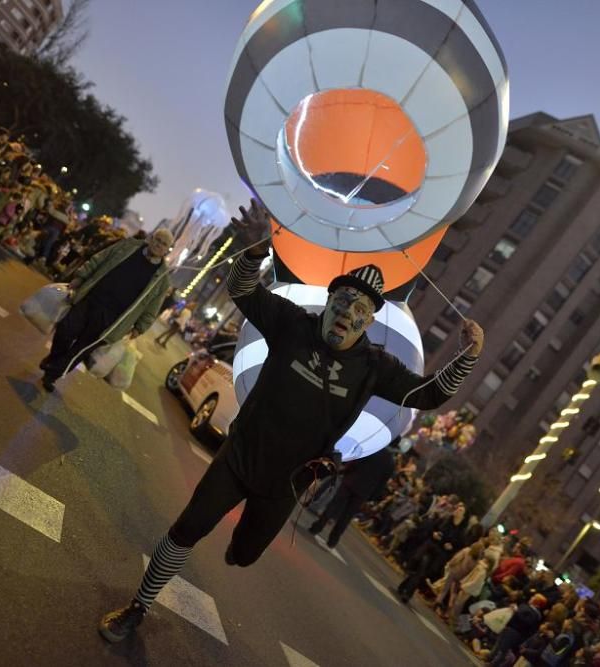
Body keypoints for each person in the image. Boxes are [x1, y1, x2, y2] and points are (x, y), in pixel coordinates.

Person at [98, 198, 484, 642]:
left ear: (369, 322)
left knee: (242, 555)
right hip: (240, 456)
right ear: (330, 301)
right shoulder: (292, 323)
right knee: (186, 530)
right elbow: (242, 289)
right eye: (342, 303)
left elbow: (430, 393)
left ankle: (242, 544)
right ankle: (137, 607)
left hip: (288, 483)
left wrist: (468, 356)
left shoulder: (376, 366)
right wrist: (259, 250)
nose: (347, 315)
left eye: (360, 312)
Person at [39, 228, 174, 391]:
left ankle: (52, 375)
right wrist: (80, 276)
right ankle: (53, 360)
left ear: (167, 250)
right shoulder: (128, 246)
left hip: (112, 319)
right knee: (65, 329)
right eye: (157, 239)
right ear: (150, 238)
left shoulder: (162, 279)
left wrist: (140, 328)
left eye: (164, 244)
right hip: (91, 298)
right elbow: (100, 258)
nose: (158, 245)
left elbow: (153, 307)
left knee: (81, 349)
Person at [309, 444, 395, 548]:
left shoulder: (373, 448)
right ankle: (333, 540)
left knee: (334, 505)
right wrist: (372, 496)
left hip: (351, 481)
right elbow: (382, 483)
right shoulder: (391, 462)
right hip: (364, 492)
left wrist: (345, 471)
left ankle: (318, 526)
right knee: (347, 516)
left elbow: (357, 462)